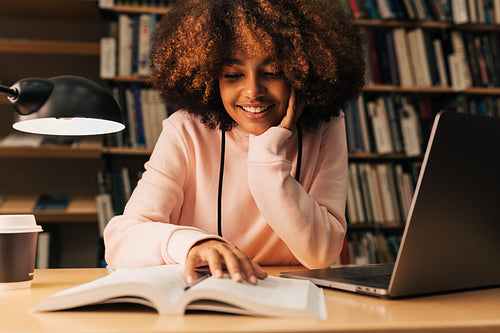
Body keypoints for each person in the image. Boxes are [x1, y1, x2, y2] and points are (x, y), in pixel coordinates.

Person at [104, 0, 365, 286]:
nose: (253, 91)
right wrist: (196, 245)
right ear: (210, 77)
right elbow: (121, 239)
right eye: (233, 75)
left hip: (290, 303)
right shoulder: (186, 130)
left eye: (273, 71)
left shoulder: (326, 128)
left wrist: (267, 153)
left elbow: (321, 253)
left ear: (302, 73)